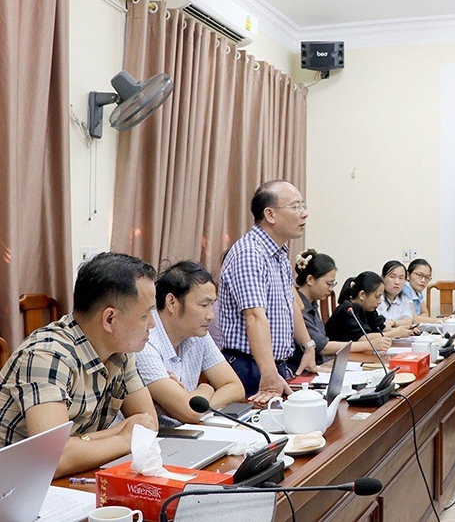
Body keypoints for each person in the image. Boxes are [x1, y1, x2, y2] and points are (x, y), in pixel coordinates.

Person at [0, 252, 159, 477]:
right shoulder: (48, 355)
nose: (152, 324)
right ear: (110, 319)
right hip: (14, 486)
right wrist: (123, 437)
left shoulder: (121, 351)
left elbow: (147, 424)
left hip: (68, 480)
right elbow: (54, 459)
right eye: (145, 315)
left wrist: (77, 445)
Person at [218, 180, 318, 403]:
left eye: (303, 206)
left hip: (273, 366)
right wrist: (269, 373)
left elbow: (289, 302)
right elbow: (254, 317)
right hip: (251, 368)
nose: (304, 214)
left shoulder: (279, 253)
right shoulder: (250, 253)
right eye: (296, 207)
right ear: (270, 214)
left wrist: (308, 346)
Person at [135, 261, 245, 428]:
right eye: (203, 305)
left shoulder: (199, 333)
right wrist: (205, 389)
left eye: (212, 305)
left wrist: (195, 400)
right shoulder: (145, 341)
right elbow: (188, 412)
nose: (211, 316)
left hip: (188, 435)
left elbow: (236, 388)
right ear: (172, 302)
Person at [325, 272, 412, 347]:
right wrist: (395, 333)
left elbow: (381, 328)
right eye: (377, 297)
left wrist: (404, 330)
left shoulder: (368, 308)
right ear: (362, 295)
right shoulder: (348, 309)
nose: (380, 301)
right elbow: (363, 338)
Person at [377, 260, 414, 327]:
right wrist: (402, 326)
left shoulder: (403, 297)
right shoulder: (378, 298)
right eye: (392, 277)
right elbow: (384, 324)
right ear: (382, 278)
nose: (397, 282)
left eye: (401, 278)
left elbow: (408, 321)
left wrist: (394, 323)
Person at [403, 258, 438, 323]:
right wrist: (441, 321)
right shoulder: (405, 289)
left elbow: (426, 313)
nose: (423, 280)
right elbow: (413, 318)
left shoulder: (417, 290)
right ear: (407, 275)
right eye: (419, 275)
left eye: (427, 277)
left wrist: (419, 318)